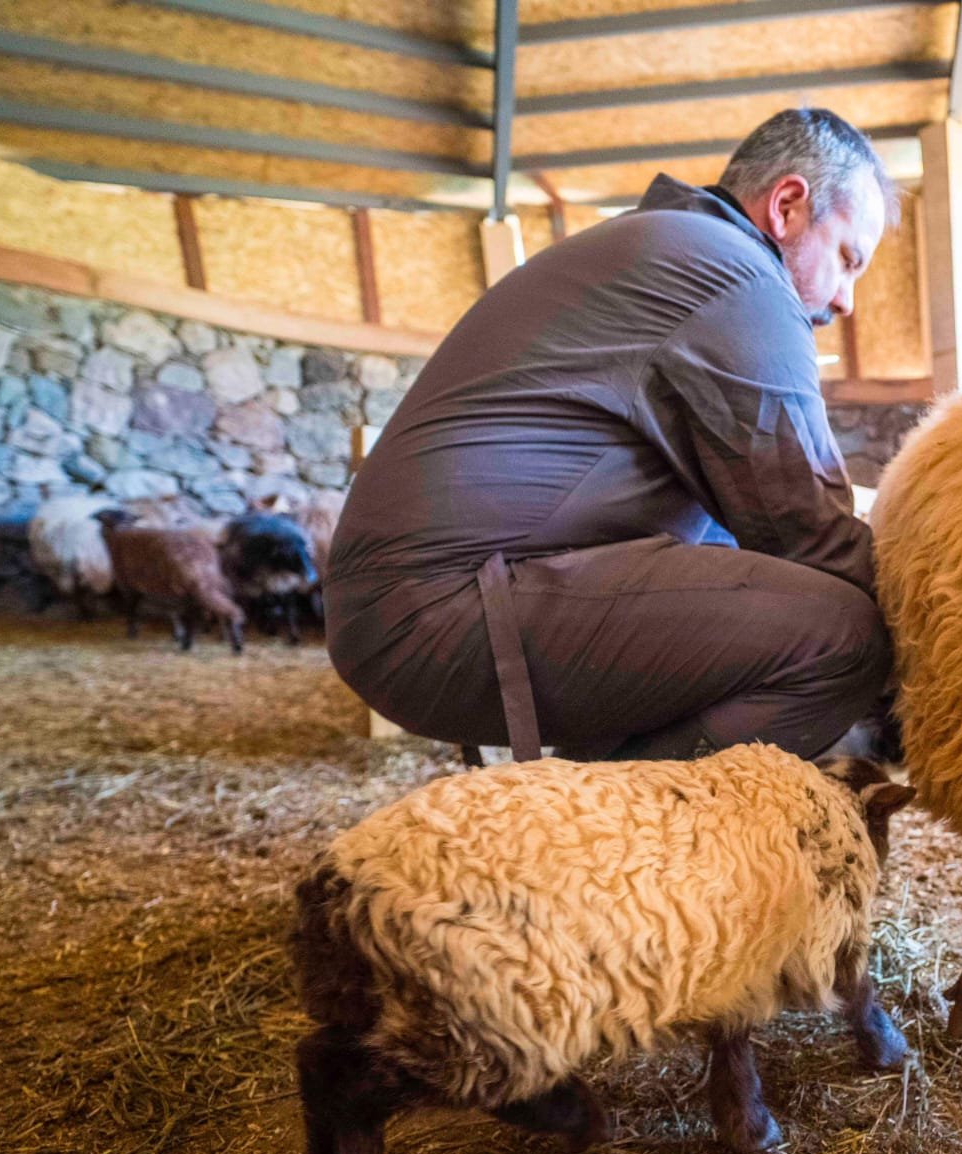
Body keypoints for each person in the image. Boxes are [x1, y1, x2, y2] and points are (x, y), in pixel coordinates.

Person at [325, 109, 896, 763]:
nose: (847, 300)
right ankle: (623, 838)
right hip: (440, 609)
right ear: (788, 205)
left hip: (413, 604)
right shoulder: (739, 278)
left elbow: (758, 538)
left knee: (742, 561)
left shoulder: (670, 248)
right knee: (845, 637)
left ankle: (590, 811)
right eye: (849, 259)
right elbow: (812, 531)